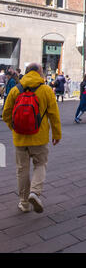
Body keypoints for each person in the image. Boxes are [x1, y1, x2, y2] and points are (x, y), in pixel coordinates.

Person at [2, 63, 62, 214]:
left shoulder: (16, 90)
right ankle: (34, 192)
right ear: (39, 72)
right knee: (40, 164)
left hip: (20, 139)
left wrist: (14, 129)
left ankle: (24, 203)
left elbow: (6, 114)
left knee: (22, 170)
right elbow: (54, 115)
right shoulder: (46, 90)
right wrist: (56, 134)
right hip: (39, 138)